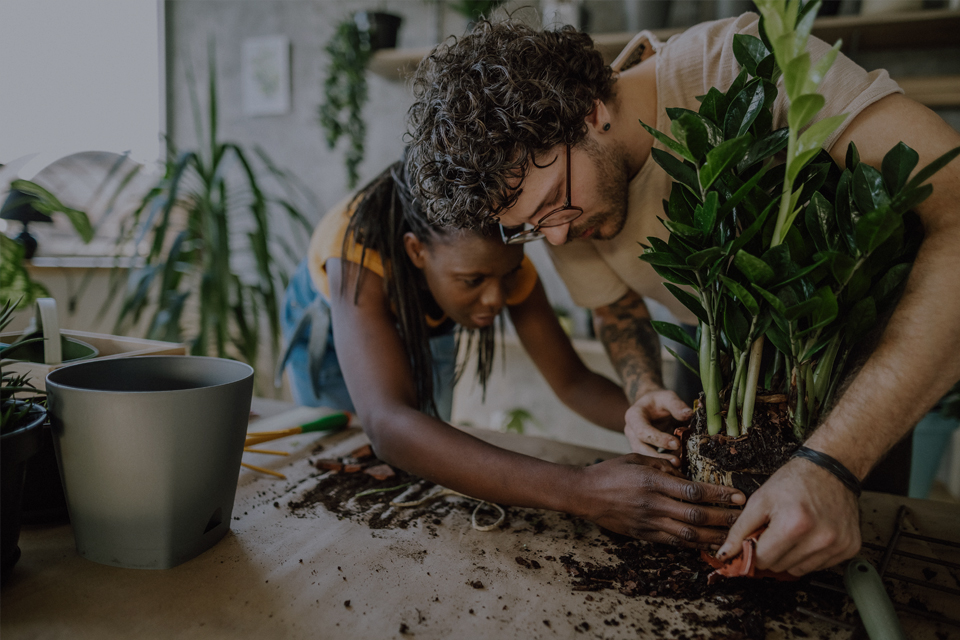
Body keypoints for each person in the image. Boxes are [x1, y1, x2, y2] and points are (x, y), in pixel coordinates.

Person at [404, 12, 960, 577]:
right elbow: (614, 305)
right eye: (527, 227)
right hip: (714, 352)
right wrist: (642, 390)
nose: (556, 237)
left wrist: (833, 463)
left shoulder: (739, 64)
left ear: (589, 110)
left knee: (852, 561)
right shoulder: (558, 193)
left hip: (849, 356)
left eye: (552, 206)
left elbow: (956, 212)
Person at [278, 159, 746, 545]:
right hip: (332, 322)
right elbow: (389, 425)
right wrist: (580, 490)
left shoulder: (495, 264)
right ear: (416, 251)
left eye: (507, 276)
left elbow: (573, 382)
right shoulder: (356, 249)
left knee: (420, 459)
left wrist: (661, 425)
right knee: (349, 462)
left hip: (427, 317)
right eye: (473, 281)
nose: (496, 300)